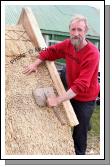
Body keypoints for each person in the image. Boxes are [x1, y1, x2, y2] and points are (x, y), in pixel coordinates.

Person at [23, 15, 100, 155]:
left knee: (79, 133)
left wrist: (57, 99)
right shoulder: (68, 44)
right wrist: (35, 63)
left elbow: (81, 85)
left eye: (80, 30)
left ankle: (79, 157)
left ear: (86, 31)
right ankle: (85, 121)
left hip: (85, 97)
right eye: (73, 29)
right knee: (64, 77)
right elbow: (51, 51)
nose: (76, 33)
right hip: (71, 86)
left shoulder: (93, 53)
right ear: (69, 30)